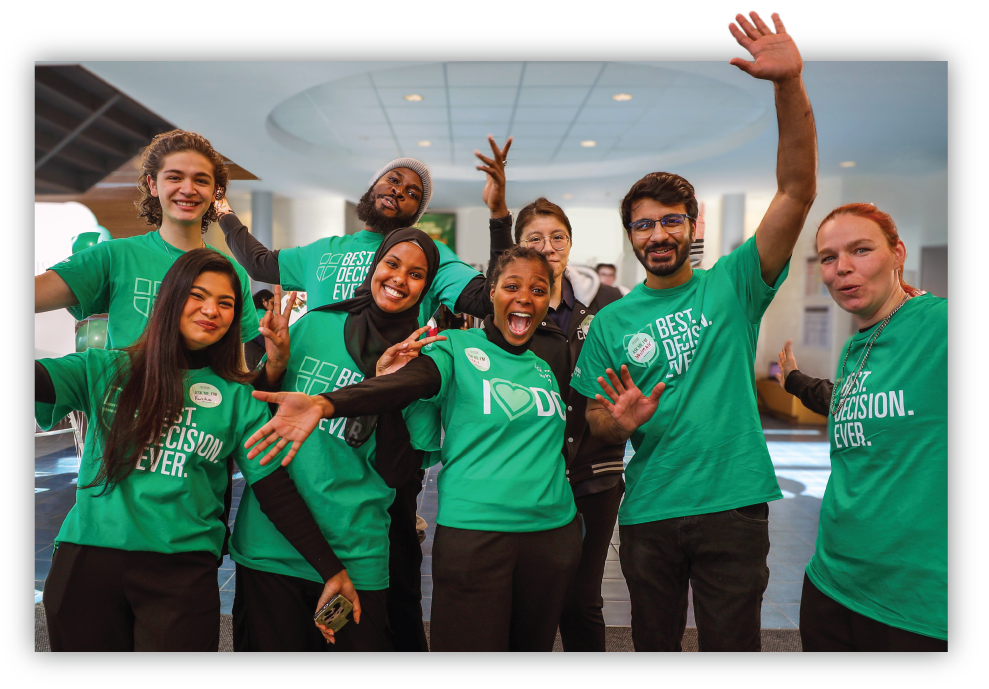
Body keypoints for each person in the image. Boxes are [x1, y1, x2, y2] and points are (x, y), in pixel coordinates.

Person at [570, 11, 817, 652]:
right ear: (631, 235)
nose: (658, 234)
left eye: (670, 221)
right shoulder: (613, 321)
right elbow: (594, 418)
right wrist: (616, 423)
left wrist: (788, 85)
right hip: (649, 507)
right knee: (653, 642)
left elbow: (795, 189)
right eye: (644, 225)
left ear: (692, 224)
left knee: (731, 644)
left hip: (733, 507)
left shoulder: (733, 283)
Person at [215, 157, 493, 651]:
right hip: (278, 521)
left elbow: (485, 297)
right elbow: (257, 263)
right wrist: (222, 210)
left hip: (364, 513)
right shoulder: (318, 291)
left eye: (413, 192)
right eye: (393, 179)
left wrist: (500, 222)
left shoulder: (417, 357)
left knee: (398, 589)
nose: (399, 191)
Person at [246, 246, 582, 652]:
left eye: (539, 290)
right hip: (477, 535)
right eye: (512, 285)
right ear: (490, 291)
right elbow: (405, 383)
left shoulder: (545, 365)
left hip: (552, 536)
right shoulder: (451, 347)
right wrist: (324, 403)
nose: (526, 297)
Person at [34, 248, 351, 651]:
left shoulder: (239, 397)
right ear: (171, 299)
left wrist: (331, 569)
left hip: (181, 574)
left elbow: (275, 491)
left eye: (225, 303)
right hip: (87, 562)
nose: (211, 310)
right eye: (197, 296)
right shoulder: (105, 369)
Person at [229, 228, 446, 653]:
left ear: (427, 285)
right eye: (392, 264)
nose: (400, 278)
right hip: (273, 546)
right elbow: (262, 412)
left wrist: (386, 388)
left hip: (355, 553)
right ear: (374, 267)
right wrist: (273, 364)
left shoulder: (419, 359)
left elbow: (399, 472)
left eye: (416, 274)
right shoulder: (317, 324)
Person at [776, 203, 946, 651]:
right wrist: (793, 380)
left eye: (861, 249)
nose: (842, 268)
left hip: (915, 602)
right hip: (832, 579)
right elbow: (843, 403)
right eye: (829, 258)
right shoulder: (858, 344)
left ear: (897, 254)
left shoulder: (939, 326)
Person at [34, 129, 260, 350]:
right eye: (174, 177)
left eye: (201, 180)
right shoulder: (116, 256)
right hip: (129, 387)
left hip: (204, 389)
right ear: (153, 185)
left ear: (214, 193)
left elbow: (236, 363)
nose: (188, 189)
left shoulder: (232, 273)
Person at [245, 289, 276, 370]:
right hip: (260, 359)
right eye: (272, 303)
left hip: (247, 357)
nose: (274, 306)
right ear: (264, 302)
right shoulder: (264, 317)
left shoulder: (250, 314)